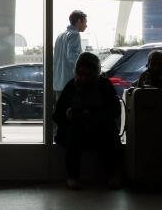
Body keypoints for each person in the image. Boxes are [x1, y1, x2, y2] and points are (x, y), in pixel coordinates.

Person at [52, 52, 122, 189]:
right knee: (76, 131)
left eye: (88, 73)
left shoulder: (103, 86)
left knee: (105, 131)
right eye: (81, 72)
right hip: (78, 130)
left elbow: (115, 111)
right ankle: (78, 176)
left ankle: (106, 175)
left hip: (98, 128)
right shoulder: (73, 86)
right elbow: (57, 114)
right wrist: (69, 115)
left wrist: (94, 116)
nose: (84, 77)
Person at [53, 10, 87, 97]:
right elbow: (72, 57)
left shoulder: (60, 36)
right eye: (85, 22)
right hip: (70, 83)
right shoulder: (74, 34)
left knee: (61, 109)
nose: (86, 26)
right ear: (79, 21)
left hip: (58, 84)